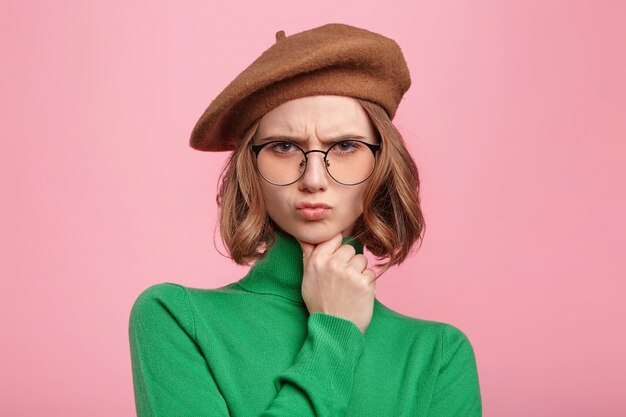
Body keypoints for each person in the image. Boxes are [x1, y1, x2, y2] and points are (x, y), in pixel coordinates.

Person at [128, 23, 482, 416]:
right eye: (284, 146)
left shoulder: (438, 357)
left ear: (382, 163)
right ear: (251, 166)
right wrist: (336, 336)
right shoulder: (176, 319)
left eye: (346, 146)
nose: (313, 179)